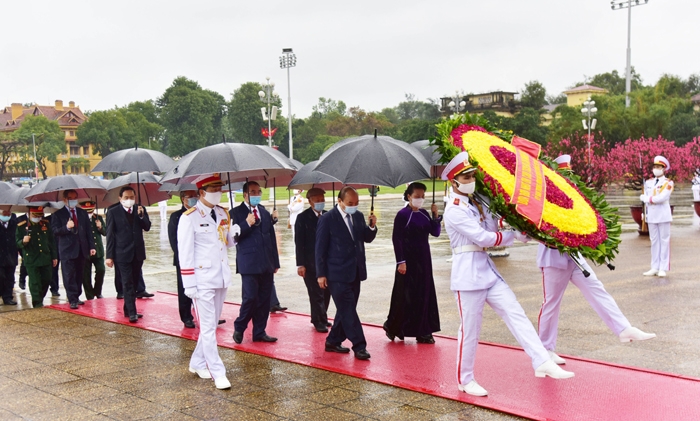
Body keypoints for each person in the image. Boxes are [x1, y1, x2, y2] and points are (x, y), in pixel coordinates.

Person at [441, 152, 573, 397]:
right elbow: (484, 238)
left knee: (516, 313)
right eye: (466, 176)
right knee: (470, 331)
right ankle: (465, 380)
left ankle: (541, 360)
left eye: (472, 175)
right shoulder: (454, 210)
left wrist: (524, 229)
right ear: (454, 181)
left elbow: (496, 225)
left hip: (487, 272)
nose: (471, 179)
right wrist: (512, 237)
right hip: (468, 276)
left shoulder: (477, 202)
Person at [537, 155, 656, 366]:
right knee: (551, 304)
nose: (569, 178)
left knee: (596, 288)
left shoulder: (575, 197)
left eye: (570, 173)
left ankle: (623, 328)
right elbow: (536, 227)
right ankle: (545, 349)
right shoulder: (545, 198)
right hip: (553, 256)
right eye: (565, 173)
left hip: (574, 256)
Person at [178, 174, 239, 390]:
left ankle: (196, 362)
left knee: (211, 325)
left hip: (220, 276)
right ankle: (218, 371)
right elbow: (185, 253)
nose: (218, 192)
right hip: (202, 279)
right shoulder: (189, 217)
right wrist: (189, 284)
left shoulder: (223, 212)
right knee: (207, 327)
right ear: (202, 192)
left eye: (220, 188)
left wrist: (234, 234)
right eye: (214, 189)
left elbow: (225, 243)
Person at [316, 186, 377, 360]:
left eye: (356, 203)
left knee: (345, 309)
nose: (354, 206)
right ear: (340, 201)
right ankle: (359, 346)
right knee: (348, 309)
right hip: (336, 273)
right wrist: (321, 274)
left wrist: (372, 227)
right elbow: (319, 248)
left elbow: (365, 237)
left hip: (355, 271)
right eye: (350, 203)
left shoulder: (357, 216)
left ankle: (333, 340)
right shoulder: (328, 219)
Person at [384, 182, 441, 344]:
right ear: (409, 196)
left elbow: (435, 233)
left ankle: (423, 330)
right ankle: (394, 326)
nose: (420, 199)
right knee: (405, 296)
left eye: (423, 196)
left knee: (424, 294)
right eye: (417, 196)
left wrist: (435, 216)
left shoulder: (423, 213)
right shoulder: (402, 215)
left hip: (424, 260)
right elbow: (397, 239)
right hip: (408, 261)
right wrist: (401, 261)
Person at [231, 181, 280, 344]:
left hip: (266, 263)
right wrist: (246, 224)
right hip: (249, 263)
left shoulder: (264, 213)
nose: (257, 195)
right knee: (250, 298)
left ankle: (259, 331)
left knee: (264, 299)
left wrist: (275, 262)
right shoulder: (236, 213)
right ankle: (240, 327)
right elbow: (232, 238)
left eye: (259, 192)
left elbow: (271, 238)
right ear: (245, 194)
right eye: (253, 192)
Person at [105, 186, 151, 323]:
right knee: (127, 283)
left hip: (137, 252)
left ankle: (127, 308)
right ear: (120, 198)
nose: (129, 200)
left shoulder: (140, 209)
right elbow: (110, 235)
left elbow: (147, 227)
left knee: (135, 282)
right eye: (126, 198)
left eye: (132, 197)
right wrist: (109, 256)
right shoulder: (113, 212)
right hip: (122, 253)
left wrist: (142, 216)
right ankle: (132, 312)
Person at [294, 188, 331, 332]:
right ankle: (318, 320)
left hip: (327, 262)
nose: (320, 202)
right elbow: (299, 242)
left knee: (326, 292)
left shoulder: (328, 215)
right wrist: (301, 264)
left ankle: (322, 316)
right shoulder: (302, 218)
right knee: (315, 293)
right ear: (310, 201)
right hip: (310, 262)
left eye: (322, 199)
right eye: (317, 200)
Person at [51, 190, 96, 309]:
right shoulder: (58, 214)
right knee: (69, 275)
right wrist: (66, 227)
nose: (73, 200)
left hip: (82, 249)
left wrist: (92, 246)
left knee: (79, 274)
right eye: (70, 198)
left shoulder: (82, 213)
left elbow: (88, 231)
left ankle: (77, 295)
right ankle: (72, 298)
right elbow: (55, 231)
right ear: (64, 199)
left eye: (75, 198)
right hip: (67, 250)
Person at [16, 207, 57, 308]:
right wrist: (23, 242)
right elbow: (17, 242)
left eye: (40, 215)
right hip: (32, 259)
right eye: (35, 215)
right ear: (29, 213)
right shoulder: (22, 226)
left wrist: (54, 256)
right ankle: (37, 303)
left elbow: (51, 241)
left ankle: (40, 298)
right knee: (35, 282)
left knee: (46, 279)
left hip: (45, 257)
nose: (38, 218)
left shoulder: (45, 224)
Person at [640, 155, 674, 277]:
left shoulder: (668, 183)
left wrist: (647, 199)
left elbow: (662, 197)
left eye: (659, 167)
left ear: (664, 169)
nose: (656, 169)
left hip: (663, 215)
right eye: (654, 167)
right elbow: (646, 199)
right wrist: (644, 212)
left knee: (664, 241)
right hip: (652, 215)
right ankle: (654, 266)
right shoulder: (649, 182)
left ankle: (663, 267)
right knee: (654, 241)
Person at [169, 189, 198, 328]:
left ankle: (204, 314)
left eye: (195, 196)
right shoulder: (176, 217)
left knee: (203, 288)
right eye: (190, 197)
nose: (194, 199)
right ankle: (186, 316)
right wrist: (184, 258)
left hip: (201, 260)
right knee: (185, 288)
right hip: (184, 260)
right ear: (183, 199)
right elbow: (174, 241)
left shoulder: (201, 214)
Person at [79, 201, 105, 299]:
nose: (89, 213)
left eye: (90, 211)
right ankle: (89, 295)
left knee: (101, 270)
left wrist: (100, 227)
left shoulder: (98, 218)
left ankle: (98, 291)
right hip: (85, 250)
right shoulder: (80, 220)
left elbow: (106, 232)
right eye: (86, 211)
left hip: (98, 250)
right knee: (86, 274)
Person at [0, 209, 19, 305]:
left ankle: (7, 297)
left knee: (9, 277)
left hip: (11, 254)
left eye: (8, 213)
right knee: (1, 277)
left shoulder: (14, 223)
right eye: (4, 213)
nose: (6, 215)